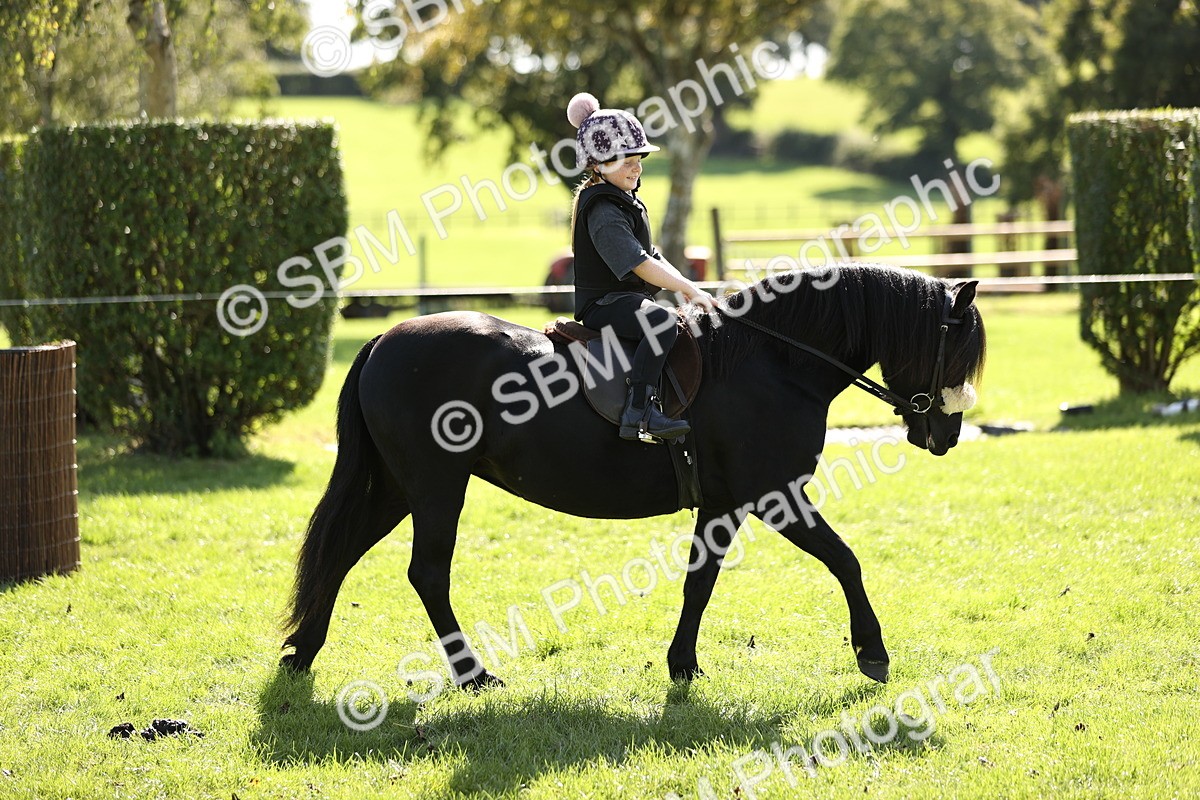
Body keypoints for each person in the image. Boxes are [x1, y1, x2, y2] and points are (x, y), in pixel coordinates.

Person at [567, 92, 716, 442]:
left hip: (624, 299)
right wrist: (689, 289)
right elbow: (638, 264)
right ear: (599, 165)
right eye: (627, 161)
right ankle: (640, 410)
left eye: (639, 159)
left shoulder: (625, 201)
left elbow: (654, 255)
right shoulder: (603, 210)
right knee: (661, 322)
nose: (637, 167)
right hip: (604, 305)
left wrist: (692, 288)